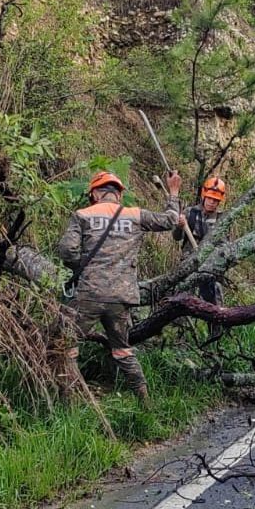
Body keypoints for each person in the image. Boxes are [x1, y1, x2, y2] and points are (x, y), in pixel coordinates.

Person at [57, 168, 182, 401]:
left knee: (66, 345)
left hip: (89, 295)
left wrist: (81, 268)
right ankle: (145, 402)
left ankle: (70, 402)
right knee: (122, 349)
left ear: (94, 194)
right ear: (119, 195)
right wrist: (173, 192)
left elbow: (67, 251)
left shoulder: (82, 215)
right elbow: (170, 220)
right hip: (121, 297)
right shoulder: (134, 215)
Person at [175, 176, 228, 306]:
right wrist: (178, 225)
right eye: (210, 198)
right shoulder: (190, 213)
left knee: (214, 303)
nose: (212, 202)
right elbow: (177, 237)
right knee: (181, 300)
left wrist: (211, 260)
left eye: (215, 200)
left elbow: (224, 247)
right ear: (204, 195)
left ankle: (216, 325)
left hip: (210, 267)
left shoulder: (222, 219)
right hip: (188, 265)